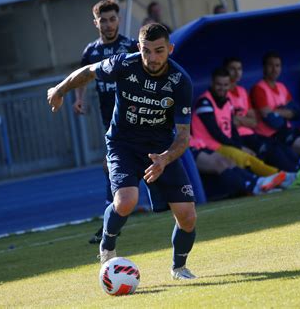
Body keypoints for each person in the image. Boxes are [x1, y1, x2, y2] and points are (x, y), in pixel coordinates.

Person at [48, 23, 197, 280]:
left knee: (187, 216)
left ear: (170, 49)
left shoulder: (180, 81)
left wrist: (165, 158)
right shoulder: (124, 64)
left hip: (160, 150)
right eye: (146, 51)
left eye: (159, 51)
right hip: (123, 144)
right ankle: (107, 245)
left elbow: (183, 136)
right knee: (126, 201)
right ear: (138, 47)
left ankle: (179, 267)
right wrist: (59, 90)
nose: (152, 58)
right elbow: (88, 71)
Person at [74, 0, 139, 244]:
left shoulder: (131, 46)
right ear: (96, 22)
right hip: (109, 121)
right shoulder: (91, 51)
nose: (109, 24)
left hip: (134, 117)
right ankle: (115, 218)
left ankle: (111, 222)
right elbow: (81, 76)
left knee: (112, 167)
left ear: (119, 20)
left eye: (112, 19)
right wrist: (78, 98)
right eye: (103, 20)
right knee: (112, 168)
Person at [191, 67, 281, 178]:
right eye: (219, 84)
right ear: (212, 83)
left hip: (224, 144)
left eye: (225, 85)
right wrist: (239, 147)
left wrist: (240, 146)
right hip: (210, 147)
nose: (222, 88)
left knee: (255, 154)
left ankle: (272, 180)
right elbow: (216, 133)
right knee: (246, 158)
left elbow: (232, 129)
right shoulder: (204, 102)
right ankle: (279, 176)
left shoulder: (227, 102)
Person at [224, 57, 300, 172]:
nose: (237, 72)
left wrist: (239, 119)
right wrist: (243, 120)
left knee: (278, 146)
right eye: (232, 69)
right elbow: (228, 121)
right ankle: (293, 174)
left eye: (239, 69)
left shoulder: (242, 91)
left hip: (250, 133)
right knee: (269, 149)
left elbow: (253, 122)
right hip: (235, 137)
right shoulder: (222, 92)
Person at [190, 136, 300, 200]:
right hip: (185, 150)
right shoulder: (204, 102)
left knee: (228, 160)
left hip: (197, 145)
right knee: (224, 162)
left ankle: (284, 180)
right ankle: (262, 186)